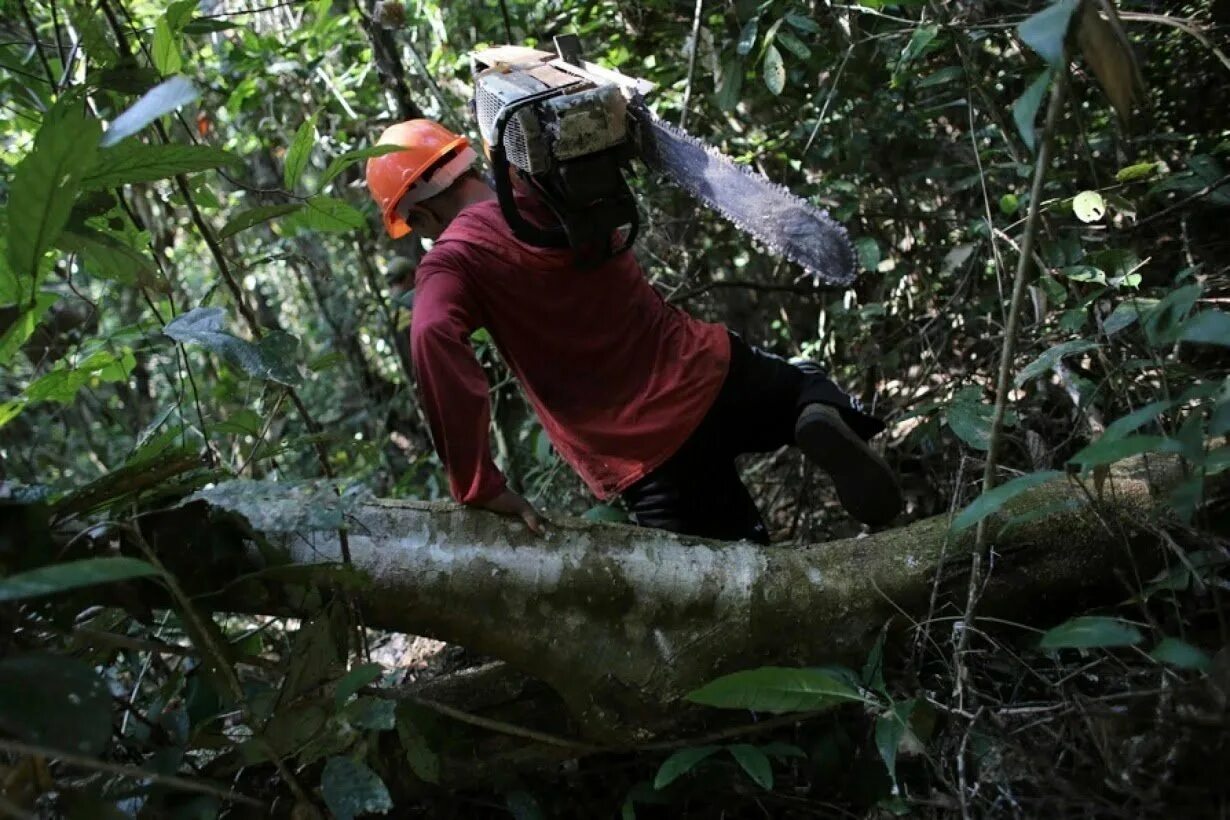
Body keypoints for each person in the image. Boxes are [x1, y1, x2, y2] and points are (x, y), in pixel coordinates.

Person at [364, 119, 901, 544]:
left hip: (646, 456)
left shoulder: (452, 263)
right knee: (805, 389)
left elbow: (432, 333)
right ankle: (811, 413)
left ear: (425, 213)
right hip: (711, 372)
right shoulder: (552, 185)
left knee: (733, 577)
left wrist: (477, 482)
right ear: (465, 162)